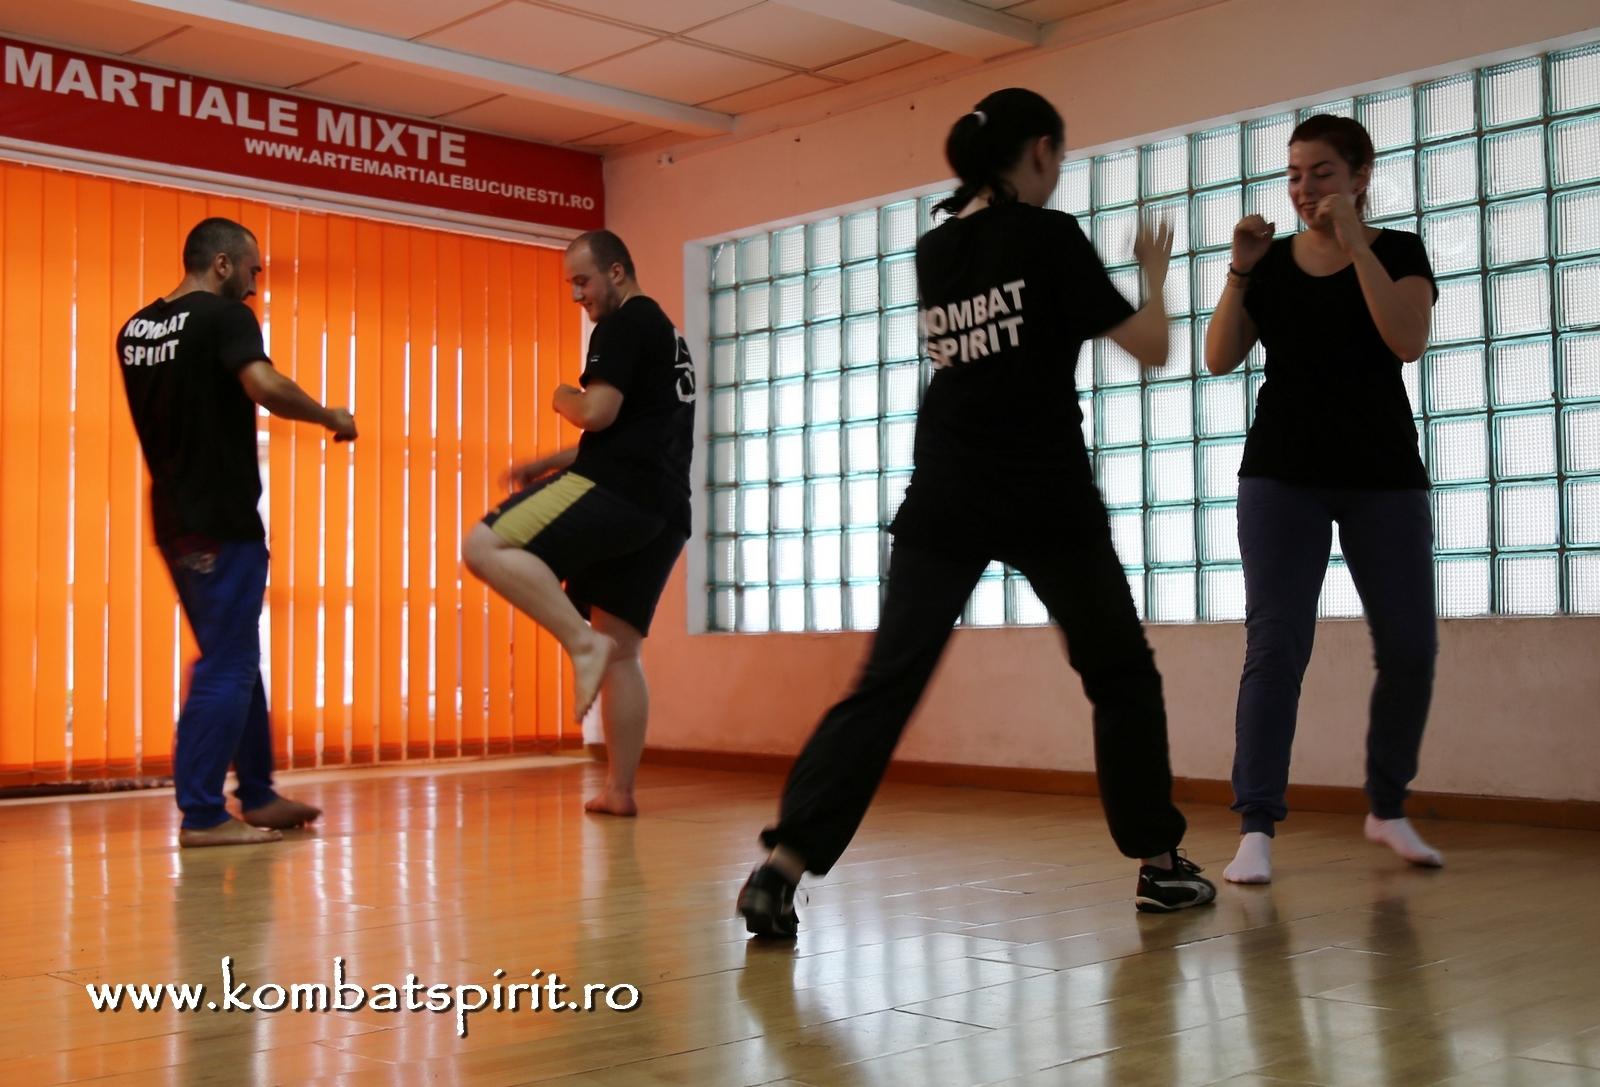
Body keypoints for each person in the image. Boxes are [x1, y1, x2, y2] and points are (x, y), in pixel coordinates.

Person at [736, 88, 1217, 937]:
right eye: (1058, 156)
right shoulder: (1049, 235)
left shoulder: (937, 247)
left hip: (946, 487)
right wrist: (1152, 275)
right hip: (1044, 490)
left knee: (887, 682)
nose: (1058, 171)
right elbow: (1151, 345)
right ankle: (1159, 862)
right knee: (1119, 674)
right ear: (1040, 152)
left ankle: (782, 868)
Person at [1203, 115, 1442, 884]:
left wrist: (1357, 245)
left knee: (1410, 647)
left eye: (1322, 173)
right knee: (1276, 644)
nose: (1304, 189)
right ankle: (1256, 824)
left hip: (1384, 475)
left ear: (1360, 176)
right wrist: (1240, 270)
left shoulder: (1399, 251)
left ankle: (1386, 804)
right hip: (1281, 474)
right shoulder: (1270, 264)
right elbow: (1217, 357)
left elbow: (1406, 339)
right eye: (1295, 174)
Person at [117, 217, 356, 848]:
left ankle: (257, 794)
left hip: (175, 519)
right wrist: (330, 415)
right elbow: (265, 386)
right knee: (228, 661)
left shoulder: (135, 330)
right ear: (222, 263)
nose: (254, 286)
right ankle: (202, 815)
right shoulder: (225, 317)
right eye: (252, 271)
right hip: (222, 520)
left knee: (234, 652)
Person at [463, 230, 694, 817]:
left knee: (484, 545)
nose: (576, 295)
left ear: (616, 272)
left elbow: (597, 412)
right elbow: (631, 430)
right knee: (624, 653)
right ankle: (620, 790)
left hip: (617, 492)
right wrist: (548, 462)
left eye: (582, 280)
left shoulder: (622, 324)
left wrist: (560, 394)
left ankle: (578, 641)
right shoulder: (667, 334)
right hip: (664, 510)